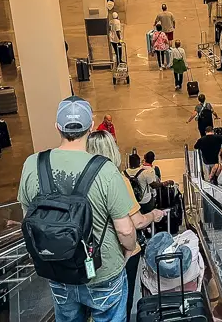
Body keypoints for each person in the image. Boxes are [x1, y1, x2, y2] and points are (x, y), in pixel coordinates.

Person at [18, 96, 137, 322]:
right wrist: (129, 250)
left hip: (57, 268)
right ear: (91, 127)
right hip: (103, 271)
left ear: (57, 127)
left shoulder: (33, 165)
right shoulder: (106, 170)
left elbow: (28, 218)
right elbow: (125, 230)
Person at [86, 130, 164, 322]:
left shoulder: (79, 178)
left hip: (87, 254)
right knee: (121, 305)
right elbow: (135, 223)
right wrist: (153, 215)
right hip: (117, 256)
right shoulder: (115, 178)